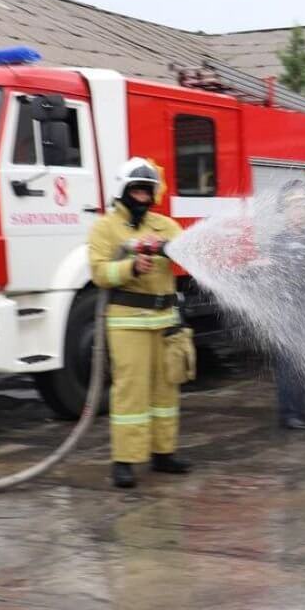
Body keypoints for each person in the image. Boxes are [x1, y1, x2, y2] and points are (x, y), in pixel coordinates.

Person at [88, 157, 191, 488]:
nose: (142, 196)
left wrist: (174, 251)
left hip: (165, 320)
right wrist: (131, 268)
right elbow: (100, 272)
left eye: (147, 191)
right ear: (123, 190)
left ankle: (164, 453)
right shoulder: (105, 228)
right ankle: (126, 460)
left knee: (166, 391)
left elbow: (186, 253)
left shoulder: (164, 225)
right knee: (130, 394)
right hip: (127, 322)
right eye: (136, 189)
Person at [268, 187, 305, 429]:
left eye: (303, 208)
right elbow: (284, 267)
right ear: (287, 213)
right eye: (295, 209)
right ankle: (288, 413)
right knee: (289, 363)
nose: (300, 213)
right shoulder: (279, 240)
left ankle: (304, 408)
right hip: (287, 309)